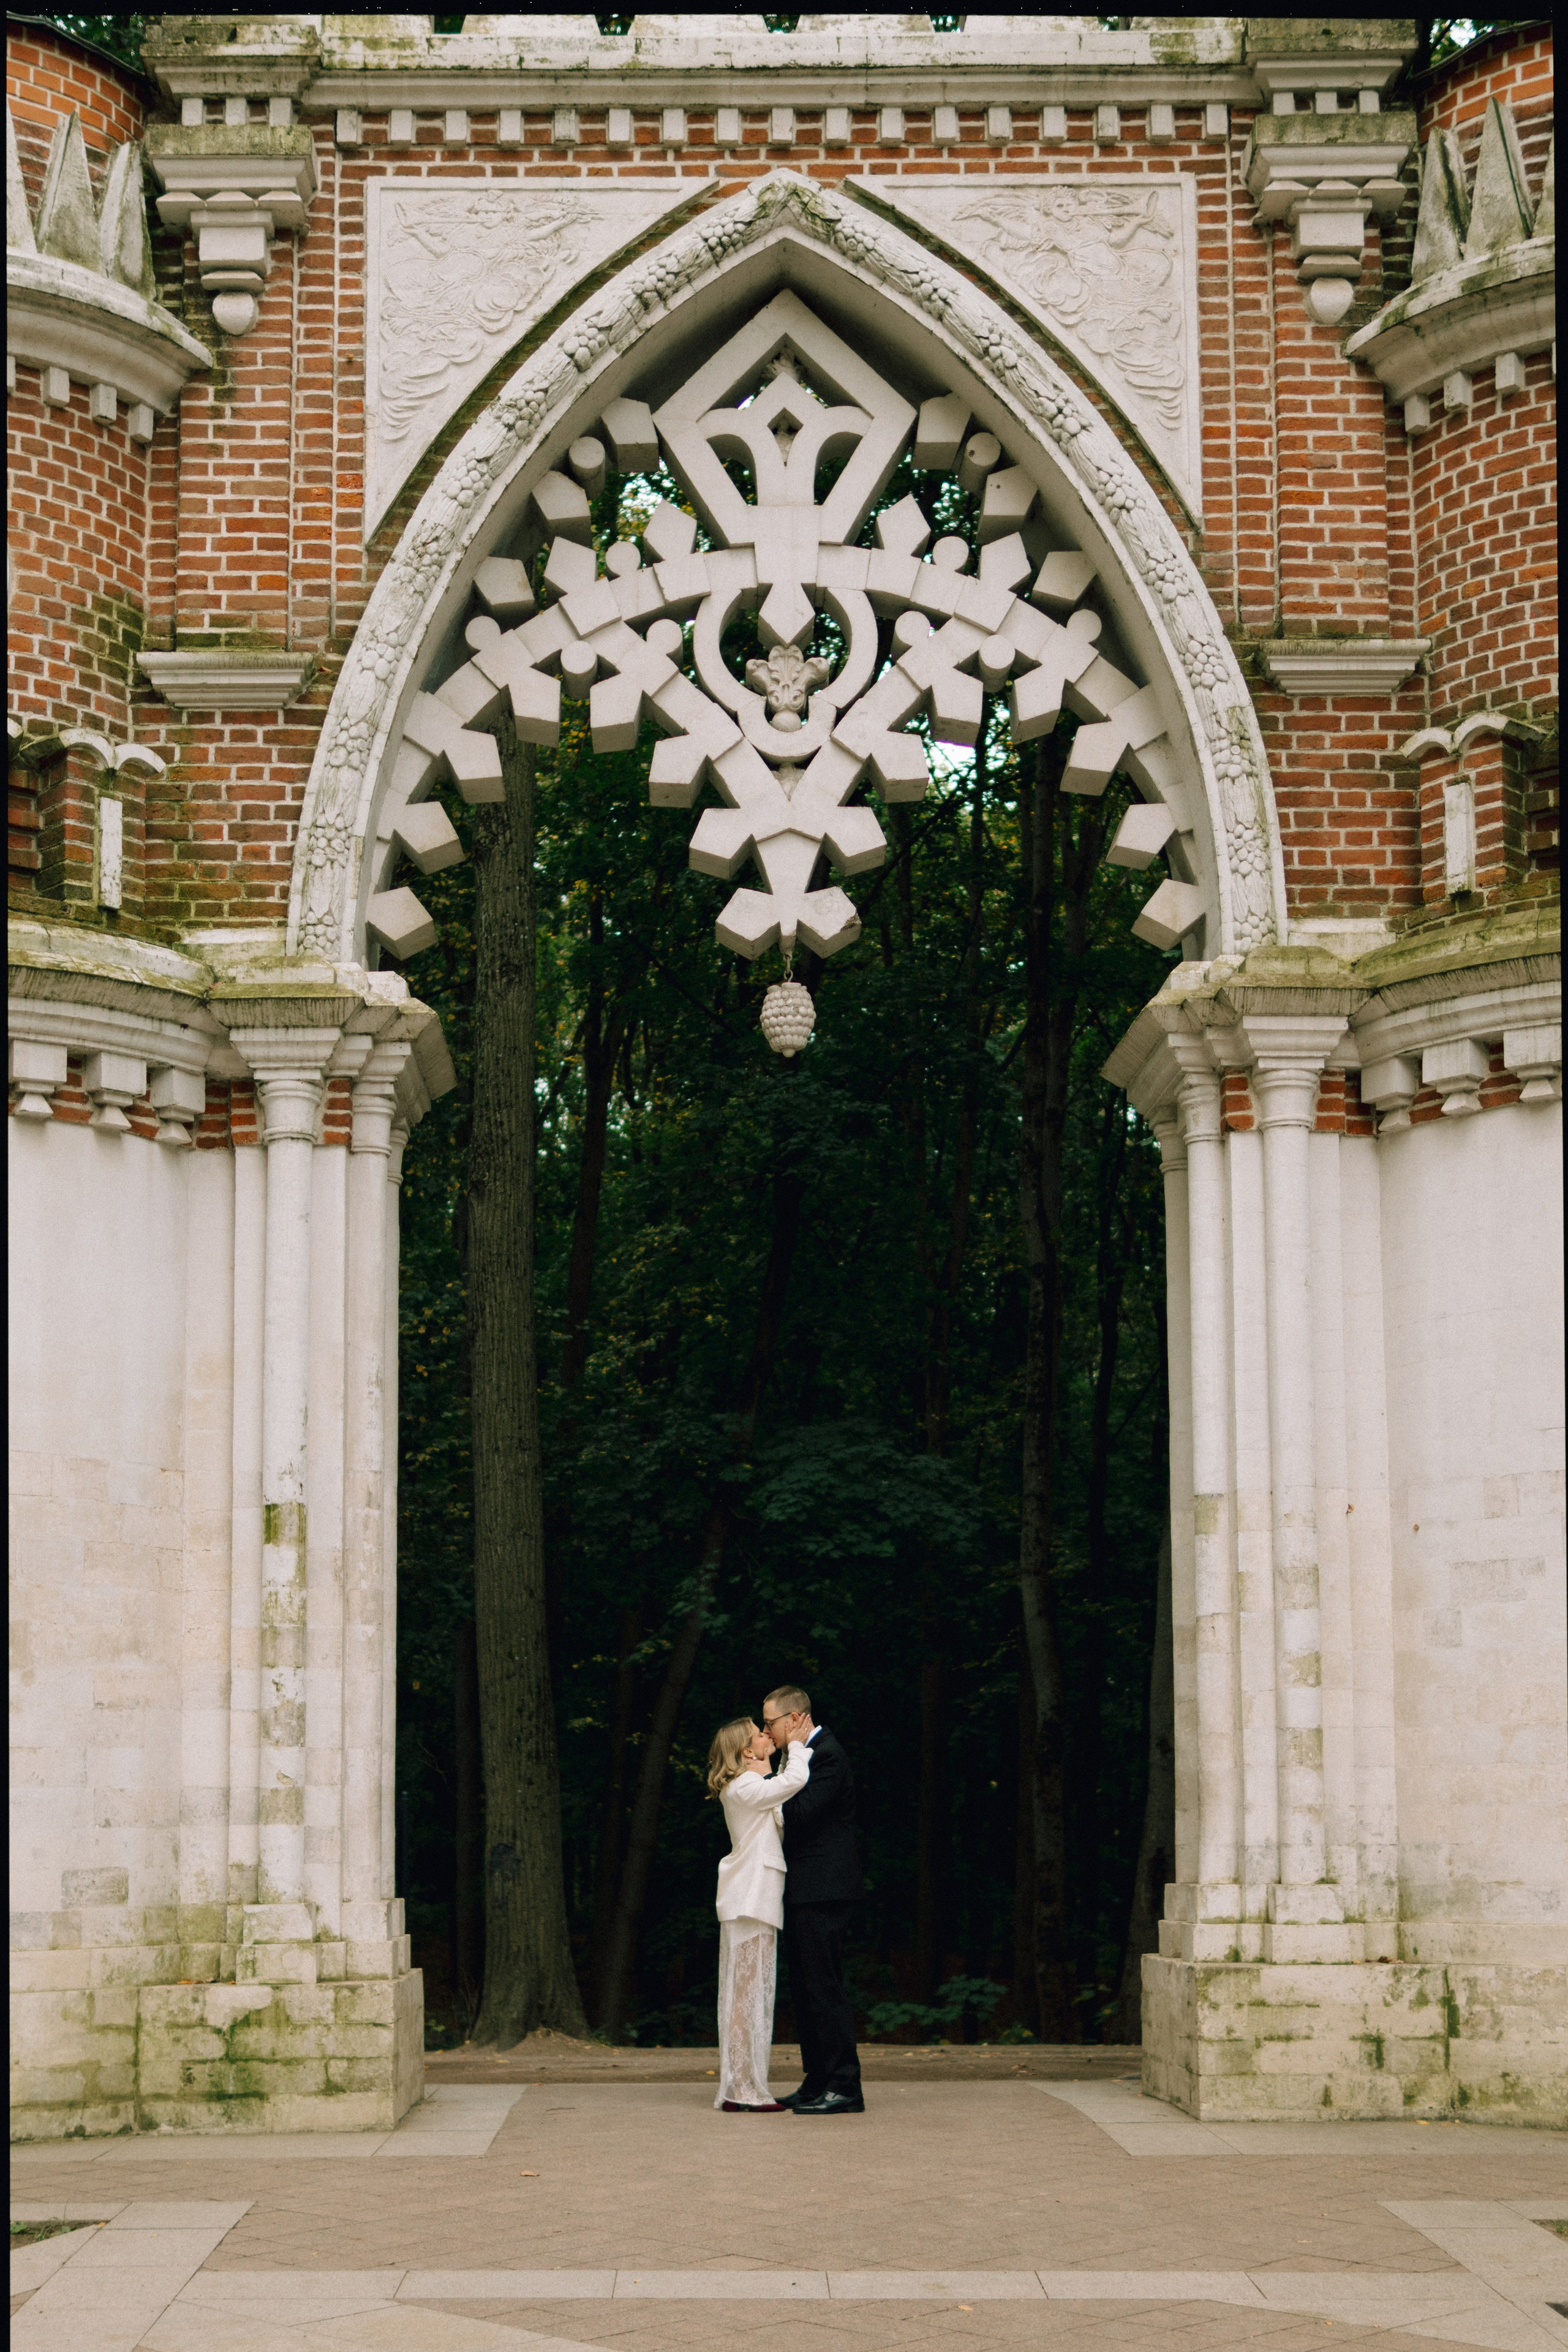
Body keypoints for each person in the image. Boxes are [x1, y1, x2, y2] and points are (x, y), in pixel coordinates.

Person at [761, 1684, 865, 2114]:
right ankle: (818, 2078)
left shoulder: (827, 1755)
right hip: (805, 1888)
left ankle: (845, 2086)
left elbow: (799, 1815)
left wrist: (768, 1795)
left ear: (792, 1719)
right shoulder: (799, 1756)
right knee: (805, 1989)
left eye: (769, 1723)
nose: (766, 1731)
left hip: (826, 1888)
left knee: (825, 1986)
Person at [706, 1715, 811, 2112]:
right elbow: (792, 1784)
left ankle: (742, 2085)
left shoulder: (748, 1785)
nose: (769, 1735)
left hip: (752, 1896)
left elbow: (779, 1803)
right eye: (759, 1734)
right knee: (745, 1994)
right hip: (750, 1897)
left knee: (747, 1992)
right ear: (747, 1751)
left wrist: (773, 1764)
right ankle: (740, 2089)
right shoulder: (746, 1786)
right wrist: (798, 1746)